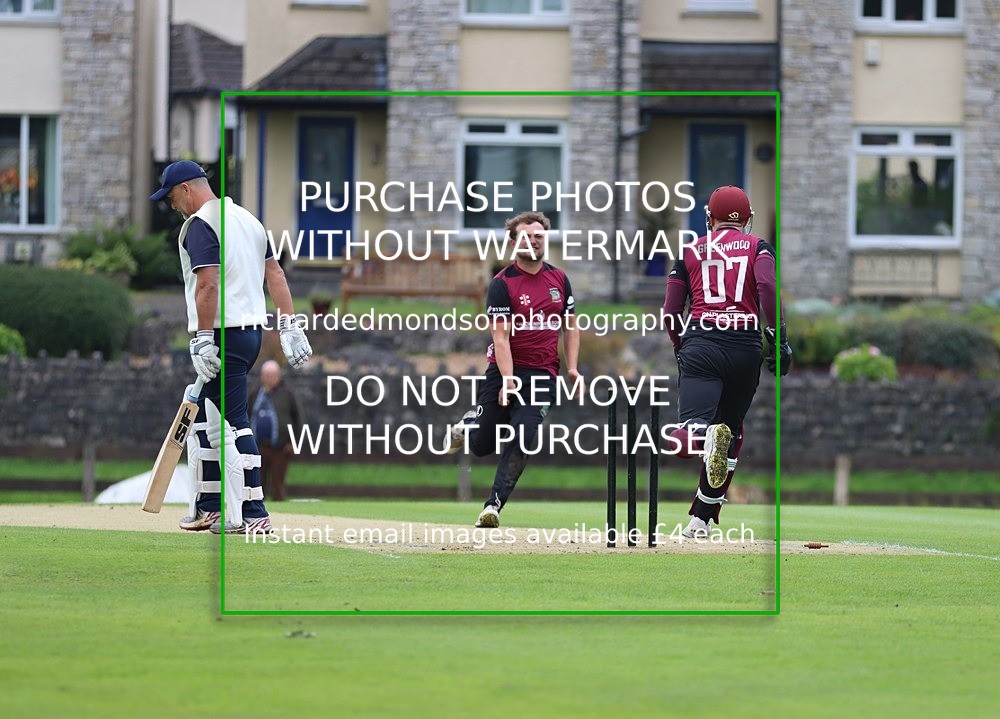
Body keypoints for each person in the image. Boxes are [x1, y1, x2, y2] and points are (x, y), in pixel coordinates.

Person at [150, 160, 312, 534]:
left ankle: (253, 512)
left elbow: (208, 284)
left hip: (223, 334)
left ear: (187, 188)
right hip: (250, 333)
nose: (173, 205)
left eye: (172, 196)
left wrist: (205, 339)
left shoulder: (202, 225)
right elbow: (276, 273)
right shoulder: (248, 219)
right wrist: (287, 323)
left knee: (232, 422)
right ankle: (210, 508)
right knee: (206, 418)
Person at [662, 185, 791, 539]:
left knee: (687, 437)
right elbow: (766, 286)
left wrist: (680, 345)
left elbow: (671, 310)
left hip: (702, 341)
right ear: (747, 219)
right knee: (731, 433)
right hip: (745, 347)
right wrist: (778, 336)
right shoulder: (759, 247)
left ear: (710, 217)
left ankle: (700, 435)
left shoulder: (690, 251)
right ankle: (700, 521)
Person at [448, 211, 583, 528]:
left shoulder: (559, 280)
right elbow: (501, 336)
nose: (534, 241)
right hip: (503, 371)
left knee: (524, 438)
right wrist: (508, 381)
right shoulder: (501, 284)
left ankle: (492, 506)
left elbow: (571, 327)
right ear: (513, 241)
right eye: (527, 235)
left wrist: (574, 369)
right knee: (481, 446)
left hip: (542, 375)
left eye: (539, 236)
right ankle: (470, 425)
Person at [249, 360, 304, 502]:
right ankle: (257, 510)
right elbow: (247, 415)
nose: (270, 378)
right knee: (257, 482)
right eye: (267, 375)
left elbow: (297, 419)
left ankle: (281, 512)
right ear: (262, 376)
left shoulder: (287, 394)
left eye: (273, 375)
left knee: (278, 483)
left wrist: (293, 442)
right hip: (258, 447)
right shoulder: (255, 394)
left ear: (279, 376)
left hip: (280, 447)